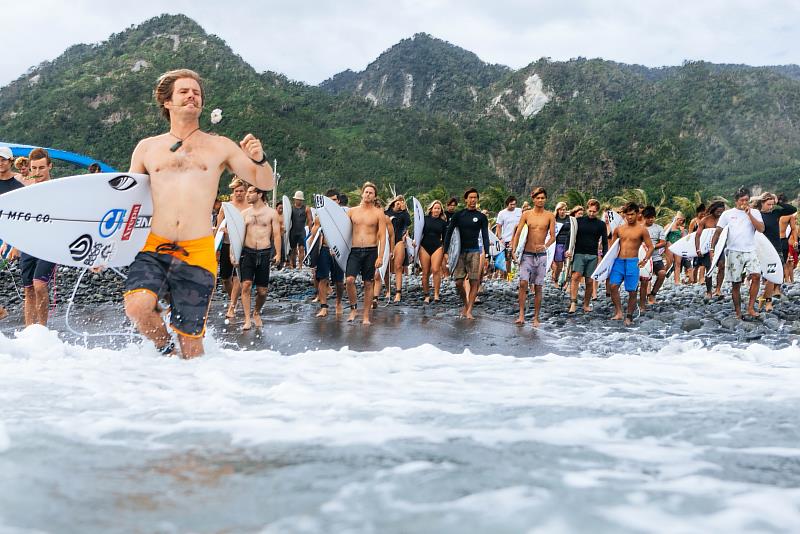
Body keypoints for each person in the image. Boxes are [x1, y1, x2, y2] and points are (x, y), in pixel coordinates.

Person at [124, 68, 274, 358]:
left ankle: (193, 390)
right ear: (167, 102)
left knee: (191, 345)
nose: (192, 95)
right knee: (138, 307)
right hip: (155, 245)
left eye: (196, 92)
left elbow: (264, 181)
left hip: (198, 250)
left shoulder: (220, 146)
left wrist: (259, 158)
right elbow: (129, 200)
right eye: (184, 91)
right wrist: (108, 247)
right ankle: (165, 351)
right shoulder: (147, 148)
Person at [16, 149, 57, 326]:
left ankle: (42, 330)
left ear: (50, 166)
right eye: (34, 168)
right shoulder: (27, 192)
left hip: (50, 243)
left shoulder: (60, 189)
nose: (38, 172)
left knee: (39, 285)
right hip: (29, 242)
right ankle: (29, 334)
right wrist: (13, 244)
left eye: (41, 167)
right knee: (29, 290)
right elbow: (17, 219)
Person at [710, 188, 764, 320]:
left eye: (747, 200)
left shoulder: (755, 212)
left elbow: (761, 229)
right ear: (736, 201)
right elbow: (718, 232)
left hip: (751, 249)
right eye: (742, 200)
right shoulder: (727, 214)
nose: (744, 202)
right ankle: (738, 312)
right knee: (736, 282)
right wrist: (712, 249)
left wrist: (749, 214)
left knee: (756, 275)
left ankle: (751, 308)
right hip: (734, 251)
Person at [235, 186, 281, 330]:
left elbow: (277, 234)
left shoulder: (272, 213)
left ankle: (256, 312)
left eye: (250, 192)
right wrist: (233, 253)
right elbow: (238, 236)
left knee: (262, 291)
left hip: (264, 253)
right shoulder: (244, 214)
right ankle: (247, 319)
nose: (247, 195)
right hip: (247, 253)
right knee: (246, 285)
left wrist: (278, 253)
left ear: (259, 194)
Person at [510, 187, 555, 327]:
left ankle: (536, 317)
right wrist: (513, 249)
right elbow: (518, 234)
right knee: (523, 283)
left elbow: (553, 236)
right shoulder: (526, 215)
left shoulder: (549, 216)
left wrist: (546, 245)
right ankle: (521, 315)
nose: (540, 200)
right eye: (538, 198)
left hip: (541, 255)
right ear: (533, 199)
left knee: (538, 286)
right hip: (526, 254)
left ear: (545, 199)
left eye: (542, 198)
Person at [443, 188, 490, 320]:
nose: (473, 200)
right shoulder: (459, 215)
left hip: (474, 251)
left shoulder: (481, 217)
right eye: (470, 197)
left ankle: (469, 310)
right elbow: (449, 233)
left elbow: (485, 236)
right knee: (458, 282)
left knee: (474, 280)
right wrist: (446, 251)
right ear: (466, 199)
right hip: (459, 252)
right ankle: (466, 304)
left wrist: (487, 255)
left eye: (475, 197)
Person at [345, 182, 386, 325]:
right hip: (354, 251)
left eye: (371, 193)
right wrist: (334, 247)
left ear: (375, 197)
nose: (368, 194)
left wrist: (380, 256)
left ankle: (366, 316)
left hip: (371, 251)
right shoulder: (351, 211)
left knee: (368, 283)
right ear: (362, 193)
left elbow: (382, 236)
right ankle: (353, 309)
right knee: (349, 280)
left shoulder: (378, 213)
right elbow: (342, 232)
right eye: (366, 192)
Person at [608, 202, 654, 326]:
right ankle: (618, 312)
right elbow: (612, 247)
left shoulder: (642, 230)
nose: (629, 217)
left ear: (637, 214)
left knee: (632, 291)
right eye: (627, 215)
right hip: (618, 261)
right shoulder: (619, 229)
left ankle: (629, 316)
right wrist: (606, 261)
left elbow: (650, 247)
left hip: (632, 262)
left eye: (632, 214)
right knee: (613, 286)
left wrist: (645, 260)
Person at [752, 192, 795, 310]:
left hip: (776, 248)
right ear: (762, 203)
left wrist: (778, 202)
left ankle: (768, 301)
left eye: (772, 204)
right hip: (762, 248)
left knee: (772, 276)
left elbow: (792, 209)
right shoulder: (757, 215)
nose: (771, 207)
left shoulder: (776, 212)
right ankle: (763, 298)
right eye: (768, 204)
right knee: (765, 277)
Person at [307, 189, 345, 317]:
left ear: (338, 200)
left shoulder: (344, 215)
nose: (332, 203)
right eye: (329, 200)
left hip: (338, 250)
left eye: (334, 200)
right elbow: (313, 234)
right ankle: (323, 307)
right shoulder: (320, 217)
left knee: (339, 281)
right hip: (324, 249)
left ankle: (339, 303)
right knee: (323, 279)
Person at [217, 178, 250, 318]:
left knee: (237, 277)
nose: (239, 193)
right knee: (225, 278)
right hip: (226, 244)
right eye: (236, 191)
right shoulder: (226, 206)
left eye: (241, 191)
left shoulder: (249, 206)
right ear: (233, 192)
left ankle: (232, 306)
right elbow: (219, 227)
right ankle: (235, 299)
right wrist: (216, 245)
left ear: (245, 192)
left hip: (242, 245)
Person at [568, 199, 607, 313]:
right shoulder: (578, 221)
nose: (591, 213)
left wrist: (604, 256)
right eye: (590, 211)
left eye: (594, 212)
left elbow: (604, 241)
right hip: (579, 253)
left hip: (593, 255)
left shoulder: (601, 224)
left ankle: (586, 304)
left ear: (597, 211)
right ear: (586, 209)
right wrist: (568, 250)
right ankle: (573, 303)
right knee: (576, 276)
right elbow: (570, 237)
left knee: (590, 281)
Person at [0, 147, 25, 320]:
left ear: (10, 161)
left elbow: (22, 218)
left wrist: (16, 245)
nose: (0, 162)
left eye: (3, 159)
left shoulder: (18, 187)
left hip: (7, 235)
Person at [693, 202, 726, 299]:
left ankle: (718, 289)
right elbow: (698, 235)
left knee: (722, 266)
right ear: (713, 210)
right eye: (718, 211)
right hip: (707, 248)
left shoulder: (723, 220)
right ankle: (709, 291)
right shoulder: (705, 220)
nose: (720, 213)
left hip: (720, 246)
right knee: (709, 269)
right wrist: (698, 249)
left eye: (721, 211)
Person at [419, 200, 448, 303]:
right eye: (435, 208)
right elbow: (418, 232)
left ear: (441, 211)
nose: (436, 210)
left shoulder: (443, 223)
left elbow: (445, 238)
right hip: (424, 247)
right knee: (425, 272)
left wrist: (446, 251)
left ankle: (436, 294)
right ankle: (426, 295)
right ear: (431, 209)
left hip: (437, 247)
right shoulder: (424, 219)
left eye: (439, 208)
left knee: (436, 270)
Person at [640, 206, 667, 308]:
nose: (651, 219)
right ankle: (643, 299)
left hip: (655, 257)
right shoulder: (640, 228)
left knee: (662, 273)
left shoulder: (659, 228)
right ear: (644, 217)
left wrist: (652, 247)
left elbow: (663, 243)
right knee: (644, 279)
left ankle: (653, 294)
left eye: (652, 217)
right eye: (648, 217)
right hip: (642, 257)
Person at [386, 195, 411, 302]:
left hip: (399, 240)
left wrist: (404, 210)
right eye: (398, 201)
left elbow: (408, 223)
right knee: (387, 268)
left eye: (402, 202)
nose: (399, 203)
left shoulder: (404, 214)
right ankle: (388, 290)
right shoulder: (386, 212)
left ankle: (398, 292)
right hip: (387, 241)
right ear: (393, 202)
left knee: (398, 267)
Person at [495, 196, 522, 278]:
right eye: (511, 204)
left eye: (514, 204)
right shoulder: (502, 213)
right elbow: (498, 226)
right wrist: (500, 238)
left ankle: (520, 276)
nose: (513, 206)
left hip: (519, 238)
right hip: (507, 238)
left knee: (519, 257)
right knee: (508, 259)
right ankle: (508, 276)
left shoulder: (519, 211)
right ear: (507, 204)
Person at [288, 191, 312, 269]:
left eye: (300, 200)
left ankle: (300, 265)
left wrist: (310, 230)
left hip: (302, 230)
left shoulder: (306, 208)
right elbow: (287, 220)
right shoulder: (291, 208)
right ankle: (292, 264)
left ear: (302, 200)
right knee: (293, 249)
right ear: (295, 200)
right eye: (297, 199)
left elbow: (310, 220)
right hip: (293, 230)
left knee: (301, 248)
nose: (298, 201)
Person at [552, 201, 573, 285]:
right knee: (559, 265)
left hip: (568, 243)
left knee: (568, 263)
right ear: (557, 210)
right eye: (560, 210)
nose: (562, 211)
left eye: (563, 209)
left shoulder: (570, 219)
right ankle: (555, 279)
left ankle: (566, 283)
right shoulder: (554, 218)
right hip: (558, 243)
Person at [688, 204, 705, 283]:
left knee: (703, 263)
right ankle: (694, 279)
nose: (703, 215)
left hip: (703, 243)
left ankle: (701, 279)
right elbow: (690, 233)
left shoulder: (705, 220)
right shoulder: (694, 221)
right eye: (701, 213)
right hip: (695, 243)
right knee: (696, 263)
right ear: (698, 213)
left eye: (704, 213)